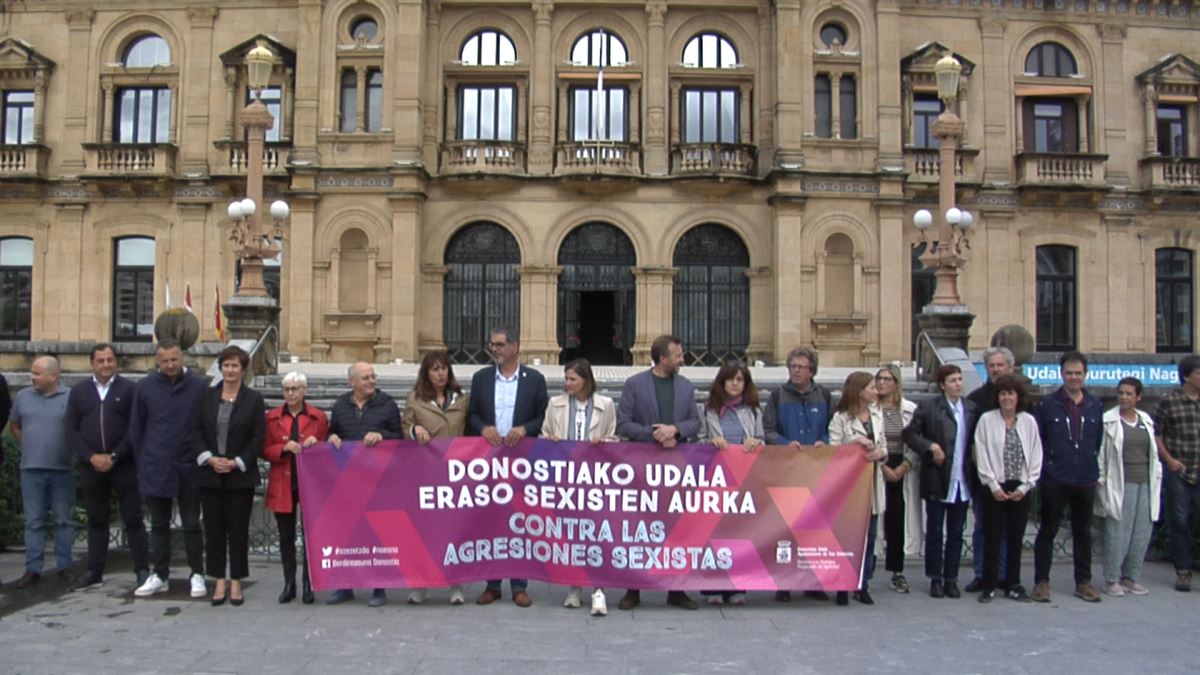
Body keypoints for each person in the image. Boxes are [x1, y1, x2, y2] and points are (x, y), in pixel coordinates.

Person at [616, 334, 702, 611]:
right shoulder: (635, 384)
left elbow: (694, 422)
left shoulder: (686, 387)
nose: (682, 359)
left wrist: (674, 430)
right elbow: (624, 424)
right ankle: (633, 588)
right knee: (638, 528)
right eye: (678, 355)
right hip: (642, 467)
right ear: (663, 358)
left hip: (677, 468)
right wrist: (655, 434)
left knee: (677, 529)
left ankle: (676, 589)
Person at [468, 327, 549, 608]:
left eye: (500, 344)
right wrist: (483, 428)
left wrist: (525, 429)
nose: (495, 349)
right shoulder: (481, 379)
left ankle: (519, 584)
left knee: (520, 521)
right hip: (489, 462)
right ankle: (492, 583)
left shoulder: (534, 380)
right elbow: (473, 414)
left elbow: (543, 416)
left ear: (515, 346)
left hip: (522, 462)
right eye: (493, 345)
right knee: (491, 521)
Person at [66, 343, 148, 591]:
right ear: (92, 363)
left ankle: (142, 569)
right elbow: (71, 429)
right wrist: (91, 456)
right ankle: (95, 571)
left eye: (110, 360)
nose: (105, 365)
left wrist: (114, 455)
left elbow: (135, 428)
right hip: (91, 466)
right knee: (96, 520)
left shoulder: (130, 389)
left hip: (123, 465)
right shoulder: (79, 391)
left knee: (133, 518)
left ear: (116, 363)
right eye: (100, 360)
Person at [131, 340, 209, 599]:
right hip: (156, 465)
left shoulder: (199, 386)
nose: (170, 365)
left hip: (189, 467)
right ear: (157, 361)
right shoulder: (144, 388)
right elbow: (137, 428)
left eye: (174, 360)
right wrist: (143, 462)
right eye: (164, 361)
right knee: (159, 524)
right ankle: (160, 573)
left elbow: (207, 426)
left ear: (181, 357)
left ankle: (197, 572)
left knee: (191, 524)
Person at [542, 358, 618, 615]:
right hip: (566, 478)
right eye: (566, 378)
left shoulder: (605, 405)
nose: (567, 383)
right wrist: (551, 440)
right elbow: (543, 435)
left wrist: (604, 441)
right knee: (571, 533)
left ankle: (599, 588)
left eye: (573, 379)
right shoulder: (555, 404)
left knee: (596, 532)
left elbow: (615, 438)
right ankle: (573, 585)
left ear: (586, 380)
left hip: (594, 478)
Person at [191, 346, 265, 606]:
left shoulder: (254, 399)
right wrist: (209, 458)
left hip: (239, 477)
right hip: (210, 475)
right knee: (213, 531)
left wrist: (236, 462)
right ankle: (218, 581)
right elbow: (195, 430)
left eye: (235, 366)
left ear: (243, 369)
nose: (230, 370)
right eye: (226, 365)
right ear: (221, 368)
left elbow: (258, 437)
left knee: (238, 531)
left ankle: (237, 582)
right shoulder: (206, 397)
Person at [326, 361, 403, 607]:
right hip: (347, 481)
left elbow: (399, 438)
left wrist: (382, 436)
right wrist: (332, 437)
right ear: (352, 383)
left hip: (378, 480)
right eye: (365, 378)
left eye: (373, 376)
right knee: (346, 533)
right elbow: (332, 432)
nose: (371, 381)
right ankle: (345, 585)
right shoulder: (340, 405)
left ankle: (379, 587)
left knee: (376, 534)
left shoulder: (388, 404)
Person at [1030, 351, 1104, 603]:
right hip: (1056, 477)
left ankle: (1083, 582)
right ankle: (1041, 582)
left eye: (1078, 373)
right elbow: (1039, 440)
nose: (1074, 378)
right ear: (1061, 374)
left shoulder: (1094, 404)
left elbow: (1098, 439)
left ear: (1085, 375)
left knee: (1083, 532)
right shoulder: (1047, 404)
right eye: (1069, 373)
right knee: (1048, 530)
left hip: (1085, 478)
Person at [763, 346, 832, 602]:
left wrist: (824, 441)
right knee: (785, 529)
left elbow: (832, 427)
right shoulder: (777, 396)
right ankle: (783, 582)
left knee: (814, 528)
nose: (795, 371)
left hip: (816, 471)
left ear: (812, 370)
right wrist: (783, 443)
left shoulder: (823, 395)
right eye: (792, 366)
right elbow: (768, 430)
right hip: (787, 470)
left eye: (800, 367)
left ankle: (813, 582)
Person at [903, 364, 978, 599]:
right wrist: (930, 446)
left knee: (956, 532)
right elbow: (910, 434)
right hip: (938, 477)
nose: (958, 384)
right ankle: (935, 577)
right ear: (943, 384)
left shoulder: (971, 409)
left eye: (959, 379)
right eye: (952, 380)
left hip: (961, 480)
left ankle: (951, 578)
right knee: (935, 530)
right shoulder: (929, 407)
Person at [402, 351, 468, 606]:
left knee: (454, 531)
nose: (440, 373)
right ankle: (420, 583)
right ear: (426, 373)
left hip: (455, 475)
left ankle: (455, 583)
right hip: (426, 474)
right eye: (435, 369)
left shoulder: (461, 399)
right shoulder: (415, 399)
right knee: (425, 530)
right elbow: (404, 427)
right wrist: (413, 429)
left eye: (444, 368)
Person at [972, 374, 1042, 603]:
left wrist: (1026, 485)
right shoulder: (986, 420)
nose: (1007, 398)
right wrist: (992, 485)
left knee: (1015, 537)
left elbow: (1035, 454)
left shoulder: (1028, 421)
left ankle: (1013, 583)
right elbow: (981, 454)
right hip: (994, 486)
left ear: (1018, 397)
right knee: (992, 535)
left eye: (1011, 393)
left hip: (1019, 486)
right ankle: (989, 584)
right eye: (1002, 393)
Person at [700, 360, 765, 606]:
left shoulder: (754, 410)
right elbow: (698, 439)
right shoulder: (709, 409)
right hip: (715, 479)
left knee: (740, 533)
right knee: (713, 533)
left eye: (740, 380)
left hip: (744, 479)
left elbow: (761, 439)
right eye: (731, 379)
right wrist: (709, 443)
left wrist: (756, 443)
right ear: (722, 382)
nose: (735, 384)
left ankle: (740, 586)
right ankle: (712, 587)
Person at [263, 371, 329, 604]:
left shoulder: (318, 417)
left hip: (309, 483)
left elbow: (326, 450)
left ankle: (308, 582)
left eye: (295, 389)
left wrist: (316, 444)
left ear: (304, 391)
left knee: (310, 534)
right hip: (282, 481)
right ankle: (289, 583)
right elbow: (265, 449)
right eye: (287, 389)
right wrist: (283, 449)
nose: (290, 393)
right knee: (285, 536)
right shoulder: (272, 417)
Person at [8, 356, 73, 588]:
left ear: (53, 376)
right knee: (33, 522)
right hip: (31, 469)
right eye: (32, 373)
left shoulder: (70, 397)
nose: (32, 377)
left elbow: (77, 428)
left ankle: (64, 566)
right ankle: (32, 569)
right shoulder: (24, 397)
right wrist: (27, 444)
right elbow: (14, 425)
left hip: (63, 469)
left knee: (63, 520)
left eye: (37, 373)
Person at [828, 371, 889, 606]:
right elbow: (833, 450)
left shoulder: (878, 414)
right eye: (872, 387)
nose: (876, 390)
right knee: (845, 536)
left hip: (871, 481)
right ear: (859, 390)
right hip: (848, 485)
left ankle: (863, 582)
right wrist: (853, 446)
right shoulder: (841, 418)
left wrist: (878, 452)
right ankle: (842, 583)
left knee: (869, 535)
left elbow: (886, 446)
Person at [1097, 377, 1161, 597]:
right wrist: (1102, 483)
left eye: (1129, 394)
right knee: (1118, 532)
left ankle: (1131, 577)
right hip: (1120, 483)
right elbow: (1102, 456)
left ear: (1138, 397)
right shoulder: (1108, 421)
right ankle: (1112, 578)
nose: (1124, 397)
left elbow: (1152, 453)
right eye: (1121, 393)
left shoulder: (1146, 420)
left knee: (1142, 531)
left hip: (1146, 481)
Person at [964, 346, 1016, 593]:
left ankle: (1005, 575)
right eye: (991, 366)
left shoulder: (1021, 397)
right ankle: (982, 573)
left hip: (1014, 475)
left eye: (1000, 365)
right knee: (983, 526)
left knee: (1008, 527)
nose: (995, 370)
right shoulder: (975, 399)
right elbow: (970, 440)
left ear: (1010, 367)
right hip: (984, 475)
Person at [1154, 354, 1200, 593]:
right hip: (1179, 470)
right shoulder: (1169, 401)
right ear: (1186, 376)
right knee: (1179, 521)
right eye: (1198, 373)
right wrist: (1169, 460)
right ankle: (1182, 571)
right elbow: (1157, 433)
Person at [874, 364, 919, 594]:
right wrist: (883, 468)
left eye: (887, 379)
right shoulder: (870, 408)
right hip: (878, 466)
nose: (882, 383)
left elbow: (916, 440)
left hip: (902, 466)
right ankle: (868, 570)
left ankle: (896, 571)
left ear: (896, 383)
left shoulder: (910, 409)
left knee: (897, 520)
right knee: (875, 519)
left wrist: (905, 465)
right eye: (879, 378)